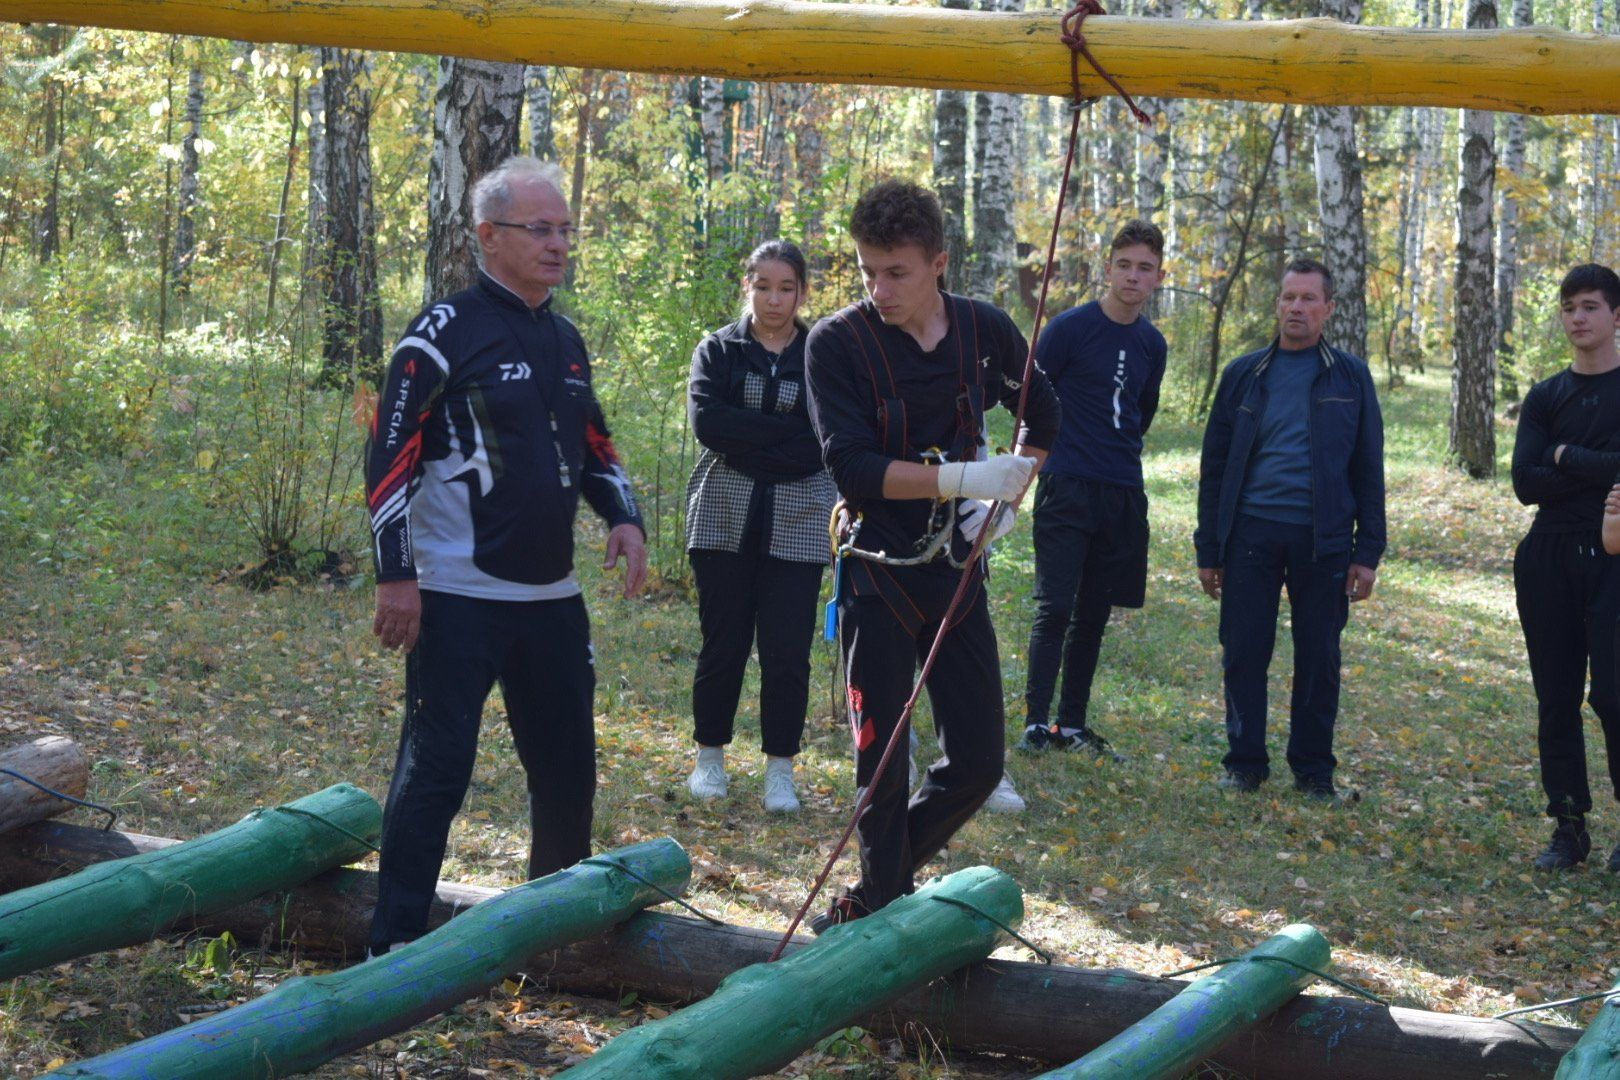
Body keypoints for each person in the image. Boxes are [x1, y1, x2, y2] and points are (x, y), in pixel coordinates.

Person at [364, 156, 647, 954]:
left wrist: (622, 517)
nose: (559, 244)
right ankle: (393, 944)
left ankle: (554, 938)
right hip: (456, 593)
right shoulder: (441, 336)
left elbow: (592, 439)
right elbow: (387, 459)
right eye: (540, 230)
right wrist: (397, 573)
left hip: (552, 599)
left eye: (565, 230)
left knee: (566, 773)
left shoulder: (564, 337)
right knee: (437, 769)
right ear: (489, 236)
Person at [804, 179, 1061, 929]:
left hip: (954, 571)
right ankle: (877, 900)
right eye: (866, 271)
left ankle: (882, 883)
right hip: (877, 571)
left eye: (898, 273)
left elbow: (1041, 411)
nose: (879, 289)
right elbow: (850, 467)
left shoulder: (985, 332)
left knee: (979, 762)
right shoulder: (836, 343)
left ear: (938, 263)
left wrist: (1006, 494)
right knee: (881, 761)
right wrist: (960, 477)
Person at [1193, 257, 1385, 803]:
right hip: (1251, 532)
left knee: (1318, 656)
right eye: (1287, 298)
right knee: (1244, 650)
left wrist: (1367, 551)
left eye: (1307, 299)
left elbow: (1368, 468)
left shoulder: (1350, 377)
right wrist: (1210, 547)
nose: (1295, 308)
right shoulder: (1244, 374)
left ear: (1328, 309)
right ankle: (1245, 763)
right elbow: (1215, 465)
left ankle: (1313, 769)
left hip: (1323, 539)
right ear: (1277, 304)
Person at [684, 240, 836, 813]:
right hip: (723, 513)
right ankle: (710, 760)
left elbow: (824, 439)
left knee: (787, 650)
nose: (774, 299)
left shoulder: (823, 354)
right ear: (746, 286)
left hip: (799, 517)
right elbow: (709, 423)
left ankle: (780, 771)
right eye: (763, 286)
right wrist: (784, 437)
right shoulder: (718, 350)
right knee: (722, 642)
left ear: (802, 292)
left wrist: (751, 437)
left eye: (787, 288)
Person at [1018, 219, 1168, 761]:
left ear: (1157, 277)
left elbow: (1140, 412)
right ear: (1108, 269)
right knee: (1054, 606)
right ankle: (1036, 722)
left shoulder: (1153, 343)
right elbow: (1031, 396)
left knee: (1093, 613)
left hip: (1121, 489)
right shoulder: (1069, 328)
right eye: (1124, 265)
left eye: (1144, 268)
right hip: (1066, 484)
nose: (1133, 276)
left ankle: (1071, 724)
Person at [1516, 263, 1620, 871]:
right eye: (1569, 307)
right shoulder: (1546, 395)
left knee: (1613, 695)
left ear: (1615, 316)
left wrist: (1561, 454)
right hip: (1548, 557)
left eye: (1589, 307)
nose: (1577, 318)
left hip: (1612, 555)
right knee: (1555, 696)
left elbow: (1548, 465)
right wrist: (1600, 464)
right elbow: (1526, 483)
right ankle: (1568, 826)